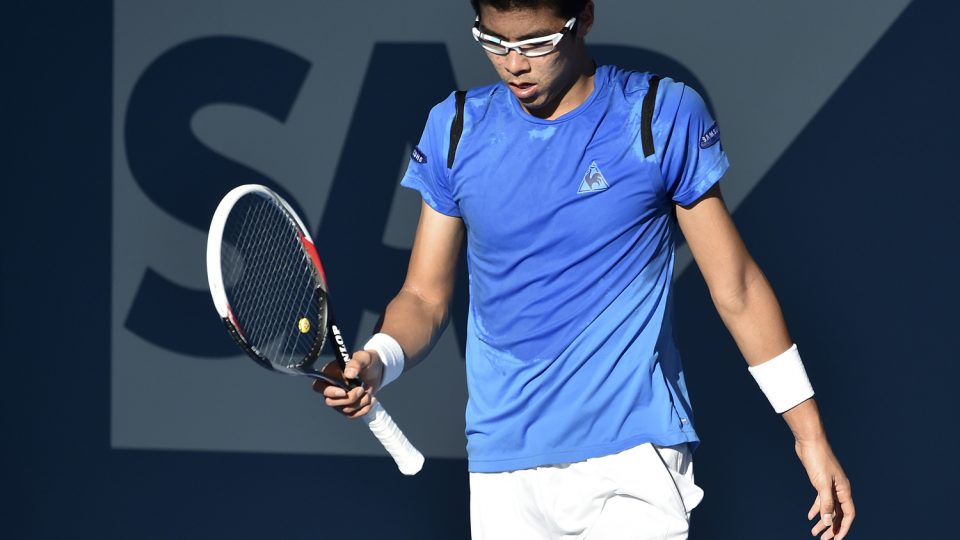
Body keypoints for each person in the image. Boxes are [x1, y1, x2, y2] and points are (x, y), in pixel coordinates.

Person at [314, 1, 856, 538]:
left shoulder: (656, 116)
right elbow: (424, 298)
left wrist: (807, 433)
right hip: (503, 465)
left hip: (634, 458)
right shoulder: (454, 128)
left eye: (536, 43)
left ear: (585, 19)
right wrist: (379, 358)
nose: (514, 64)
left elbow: (735, 286)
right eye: (495, 41)